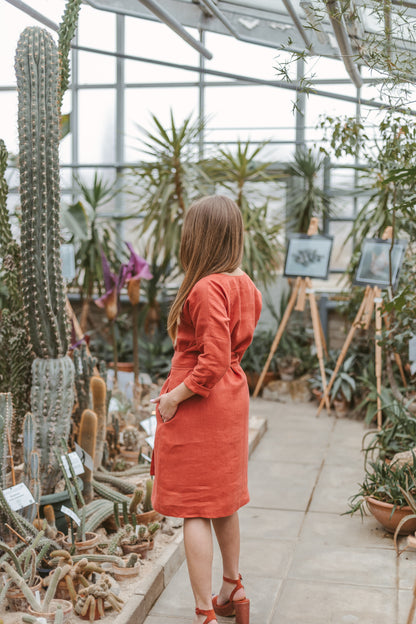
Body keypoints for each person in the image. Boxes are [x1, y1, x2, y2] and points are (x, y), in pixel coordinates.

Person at [150, 195, 262, 624]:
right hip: (230, 401)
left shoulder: (204, 287)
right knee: (223, 500)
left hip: (200, 406)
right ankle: (232, 587)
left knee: (194, 508)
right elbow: (229, 353)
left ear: (198, 239)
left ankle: (203, 614)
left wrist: (174, 398)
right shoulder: (244, 283)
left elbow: (211, 361)